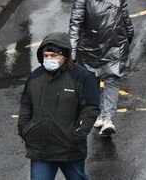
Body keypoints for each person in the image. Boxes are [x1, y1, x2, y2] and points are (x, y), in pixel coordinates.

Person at [69, 0, 133, 137]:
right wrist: (72, 52)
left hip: (115, 42)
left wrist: (129, 30)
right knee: (93, 81)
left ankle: (108, 118)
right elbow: (75, 23)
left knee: (112, 79)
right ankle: (97, 113)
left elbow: (124, 8)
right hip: (91, 47)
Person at [19, 31, 100, 179]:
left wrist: (77, 134)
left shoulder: (82, 77)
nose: (49, 59)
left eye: (54, 55)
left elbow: (91, 108)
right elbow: (26, 106)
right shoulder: (35, 77)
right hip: (40, 149)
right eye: (46, 56)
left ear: (65, 56)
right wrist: (25, 129)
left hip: (69, 149)